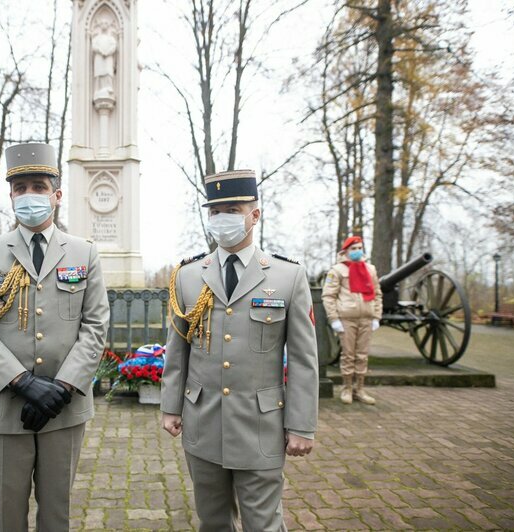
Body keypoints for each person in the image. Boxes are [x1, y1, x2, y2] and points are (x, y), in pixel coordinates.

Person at [0, 142, 110, 532]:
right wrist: (22, 381)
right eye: (20, 188)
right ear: (10, 196)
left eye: (38, 186)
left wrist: (61, 386)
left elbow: (95, 326)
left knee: (57, 512)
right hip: (4, 406)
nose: (29, 195)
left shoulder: (84, 253)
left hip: (65, 406)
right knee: (7, 514)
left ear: (56, 196)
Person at [161, 169, 319, 531]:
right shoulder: (187, 275)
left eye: (232, 209)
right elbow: (177, 349)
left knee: (263, 523)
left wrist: (302, 426)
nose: (222, 219)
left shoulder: (286, 276)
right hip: (202, 421)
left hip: (260, 425)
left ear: (255, 215)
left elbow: (303, 360)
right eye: (215, 211)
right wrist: (170, 406)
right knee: (212, 520)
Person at [322, 235, 382, 405]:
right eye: (353, 249)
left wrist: (377, 316)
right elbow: (328, 296)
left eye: (359, 248)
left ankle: (360, 389)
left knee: (362, 355)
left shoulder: (370, 269)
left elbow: (377, 294)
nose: (357, 251)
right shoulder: (337, 270)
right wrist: (334, 319)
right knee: (348, 355)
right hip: (347, 318)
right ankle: (347, 388)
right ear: (346, 251)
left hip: (367, 318)